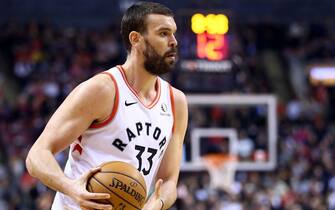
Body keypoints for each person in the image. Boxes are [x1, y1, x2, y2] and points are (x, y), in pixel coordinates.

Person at [25, 1, 188, 210]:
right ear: (136, 39)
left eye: (173, 33)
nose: (173, 41)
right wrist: (72, 188)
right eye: (163, 33)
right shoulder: (103, 90)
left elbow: (168, 182)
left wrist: (155, 204)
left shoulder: (176, 102)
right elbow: (37, 155)